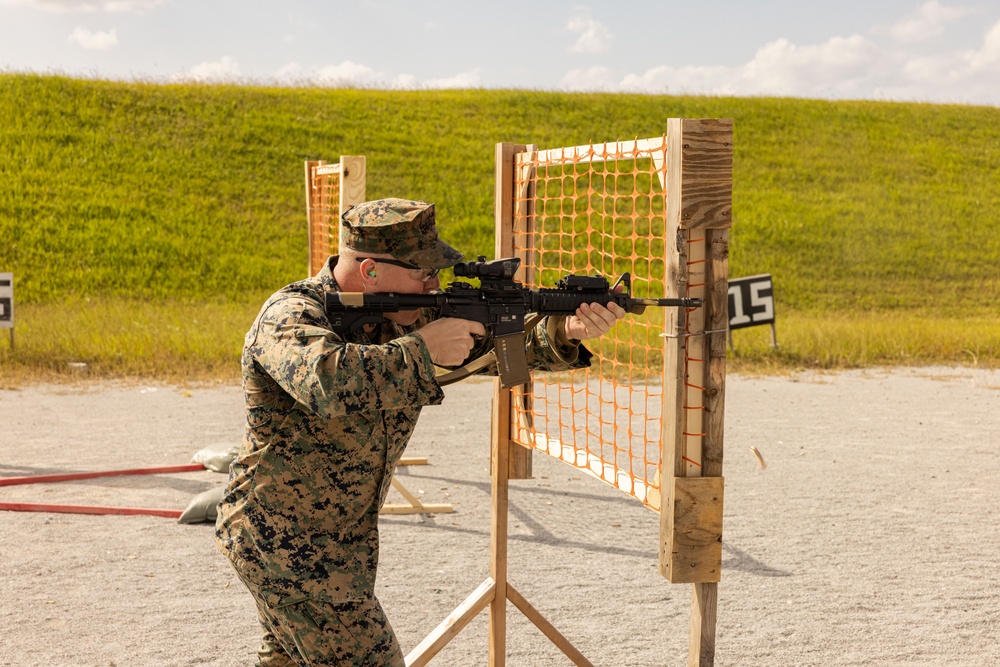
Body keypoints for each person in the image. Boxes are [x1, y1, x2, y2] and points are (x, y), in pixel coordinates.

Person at [215, 198, 626, 666]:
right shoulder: (291, 316)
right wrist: (421, 351)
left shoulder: (407, 313)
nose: (435, 283)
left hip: (335, 544)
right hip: (285, 543)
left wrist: (565, 330)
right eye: (423, 272)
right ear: (370, 270)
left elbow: (500, 349)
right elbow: (326, 381)